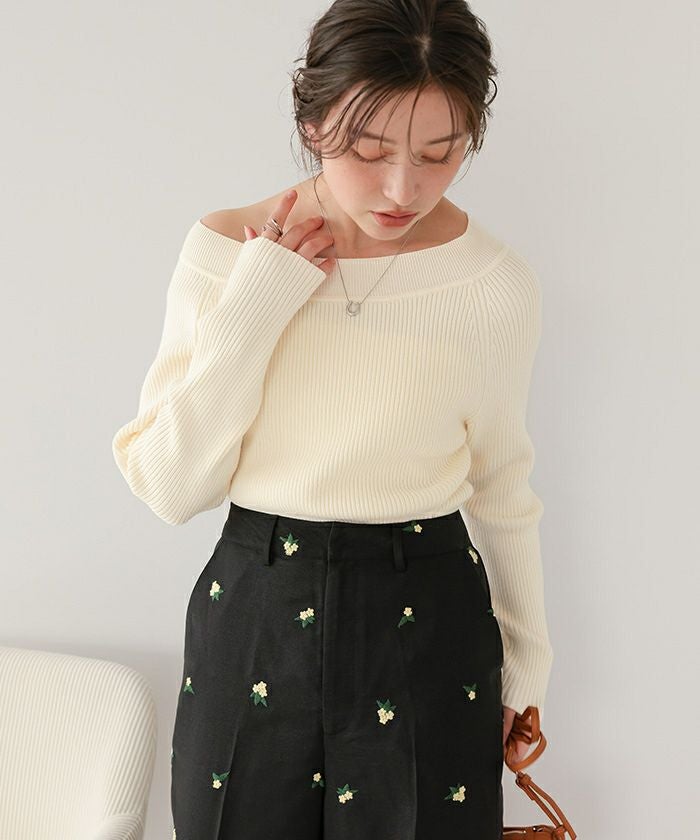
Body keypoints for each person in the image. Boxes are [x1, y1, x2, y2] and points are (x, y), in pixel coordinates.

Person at [111, 1, 553, 837]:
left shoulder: (491, 286)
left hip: (428, 615)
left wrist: (527, 667)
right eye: (369, 150)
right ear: (310, 121)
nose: (402, 189)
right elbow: (170, 488)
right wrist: (256, 304)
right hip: (256, 604)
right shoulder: (224, 252)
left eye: (439, 153)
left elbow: (504, 485)